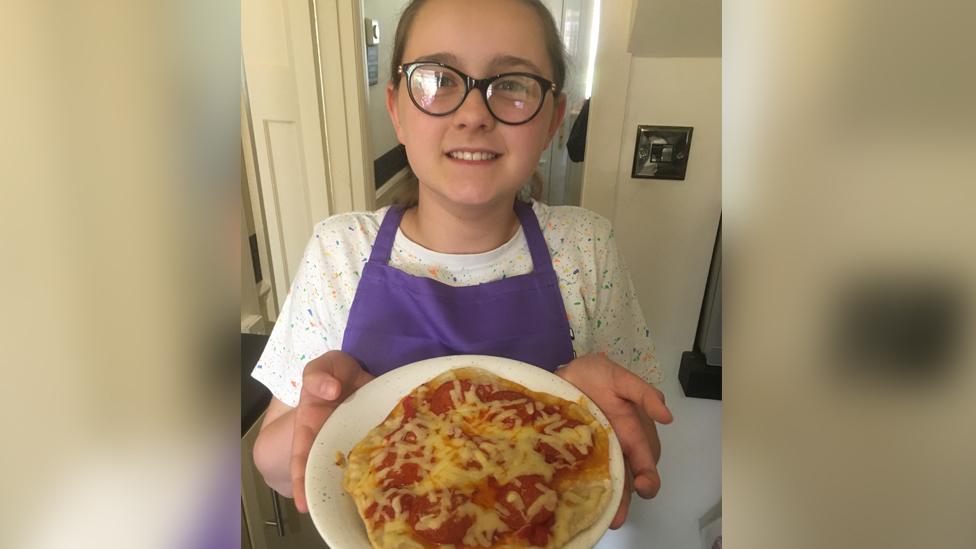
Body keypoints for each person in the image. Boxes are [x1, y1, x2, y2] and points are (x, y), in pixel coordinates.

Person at [251, 0, 673, 531]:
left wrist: (590, 410)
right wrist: (331, 417)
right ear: (397, 110)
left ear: (551, 121)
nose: (473, 114)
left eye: (513, 84)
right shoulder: (340, 251)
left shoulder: (586, 246)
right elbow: (271, 466)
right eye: (438, 79)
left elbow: (640, 454)